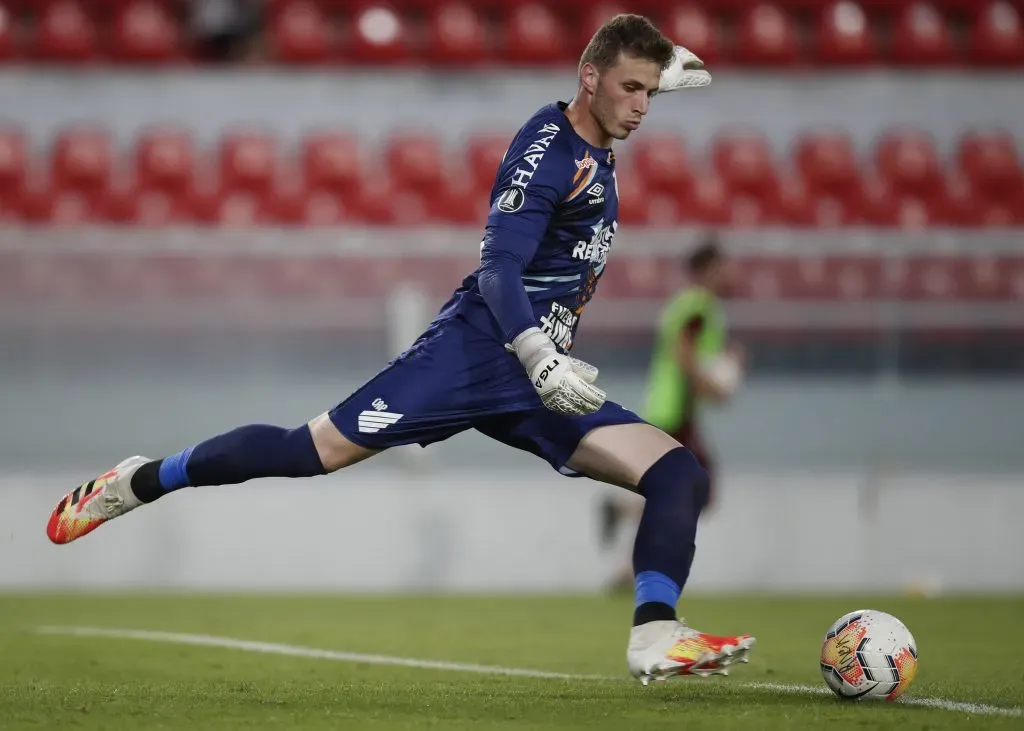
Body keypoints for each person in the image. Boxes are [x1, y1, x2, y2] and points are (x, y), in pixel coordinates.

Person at [46, 14, 754, 684]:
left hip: (540, 378)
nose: (643, 107)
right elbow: (498, 271)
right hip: (480, 353)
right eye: (631, 89)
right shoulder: (549, 158)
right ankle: (139, 480)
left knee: (676, 472)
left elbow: (643, 72)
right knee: (307, 451)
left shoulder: (600, 129)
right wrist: (539, 351)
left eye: (652, 94)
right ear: (588, 77)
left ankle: (655, 633)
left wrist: (666, 68)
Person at [599, 237, 747, 592]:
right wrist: (715, 387)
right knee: (699, 492)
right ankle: (634, 552)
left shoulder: (684, 305)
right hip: (676, 411)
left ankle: (626, 559)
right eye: (724, 266)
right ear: (708, 269)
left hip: (668, 408)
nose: (731, 273)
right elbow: (684, 353)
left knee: (666, 490)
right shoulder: (699, 307)